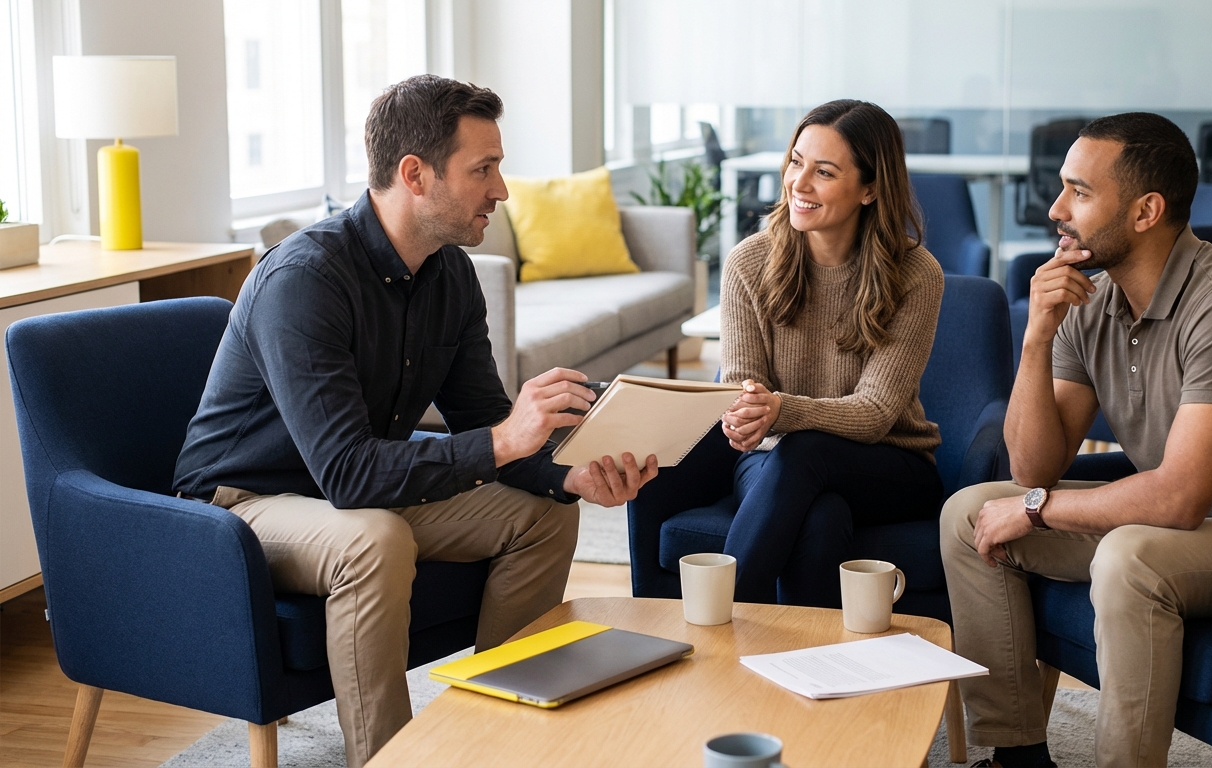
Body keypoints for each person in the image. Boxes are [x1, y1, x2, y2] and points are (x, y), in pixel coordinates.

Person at [172, 75, 657, 766]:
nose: (502, 190)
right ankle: (388, 757)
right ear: (414, 174)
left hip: (349, 490)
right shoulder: (305, 279)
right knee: (373, 538)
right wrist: (501, 440)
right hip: (244, 501)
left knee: (544, 512)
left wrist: (569, 472)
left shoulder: (451, 274)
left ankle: (501, 730)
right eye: (482, 169)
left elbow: (485, 420)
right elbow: (348, 474)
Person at [939, 112, 1212, 768]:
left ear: (1146, 211)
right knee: (967, 515)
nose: (1057, 209)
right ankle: (1014, 753)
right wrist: (1036, 338)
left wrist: (1035, 509)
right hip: (1189, 524)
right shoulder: (1092, 304)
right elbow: (1036, 468)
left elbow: (1177, 499)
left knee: (1130, 558)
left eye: (1079, 192)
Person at [718, 99, 946, 606]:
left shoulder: (915, 274)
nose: (799, 184)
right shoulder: (748, 263)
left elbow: (876, 414)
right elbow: (740, 392)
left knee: (807, 449)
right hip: (772, 463)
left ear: (869, 188)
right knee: (822, 515)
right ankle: (810, 667)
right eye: (796, 162)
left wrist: (782, 409)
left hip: (891, 463)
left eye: (823, 172)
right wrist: (750, 411)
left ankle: (716, 625)